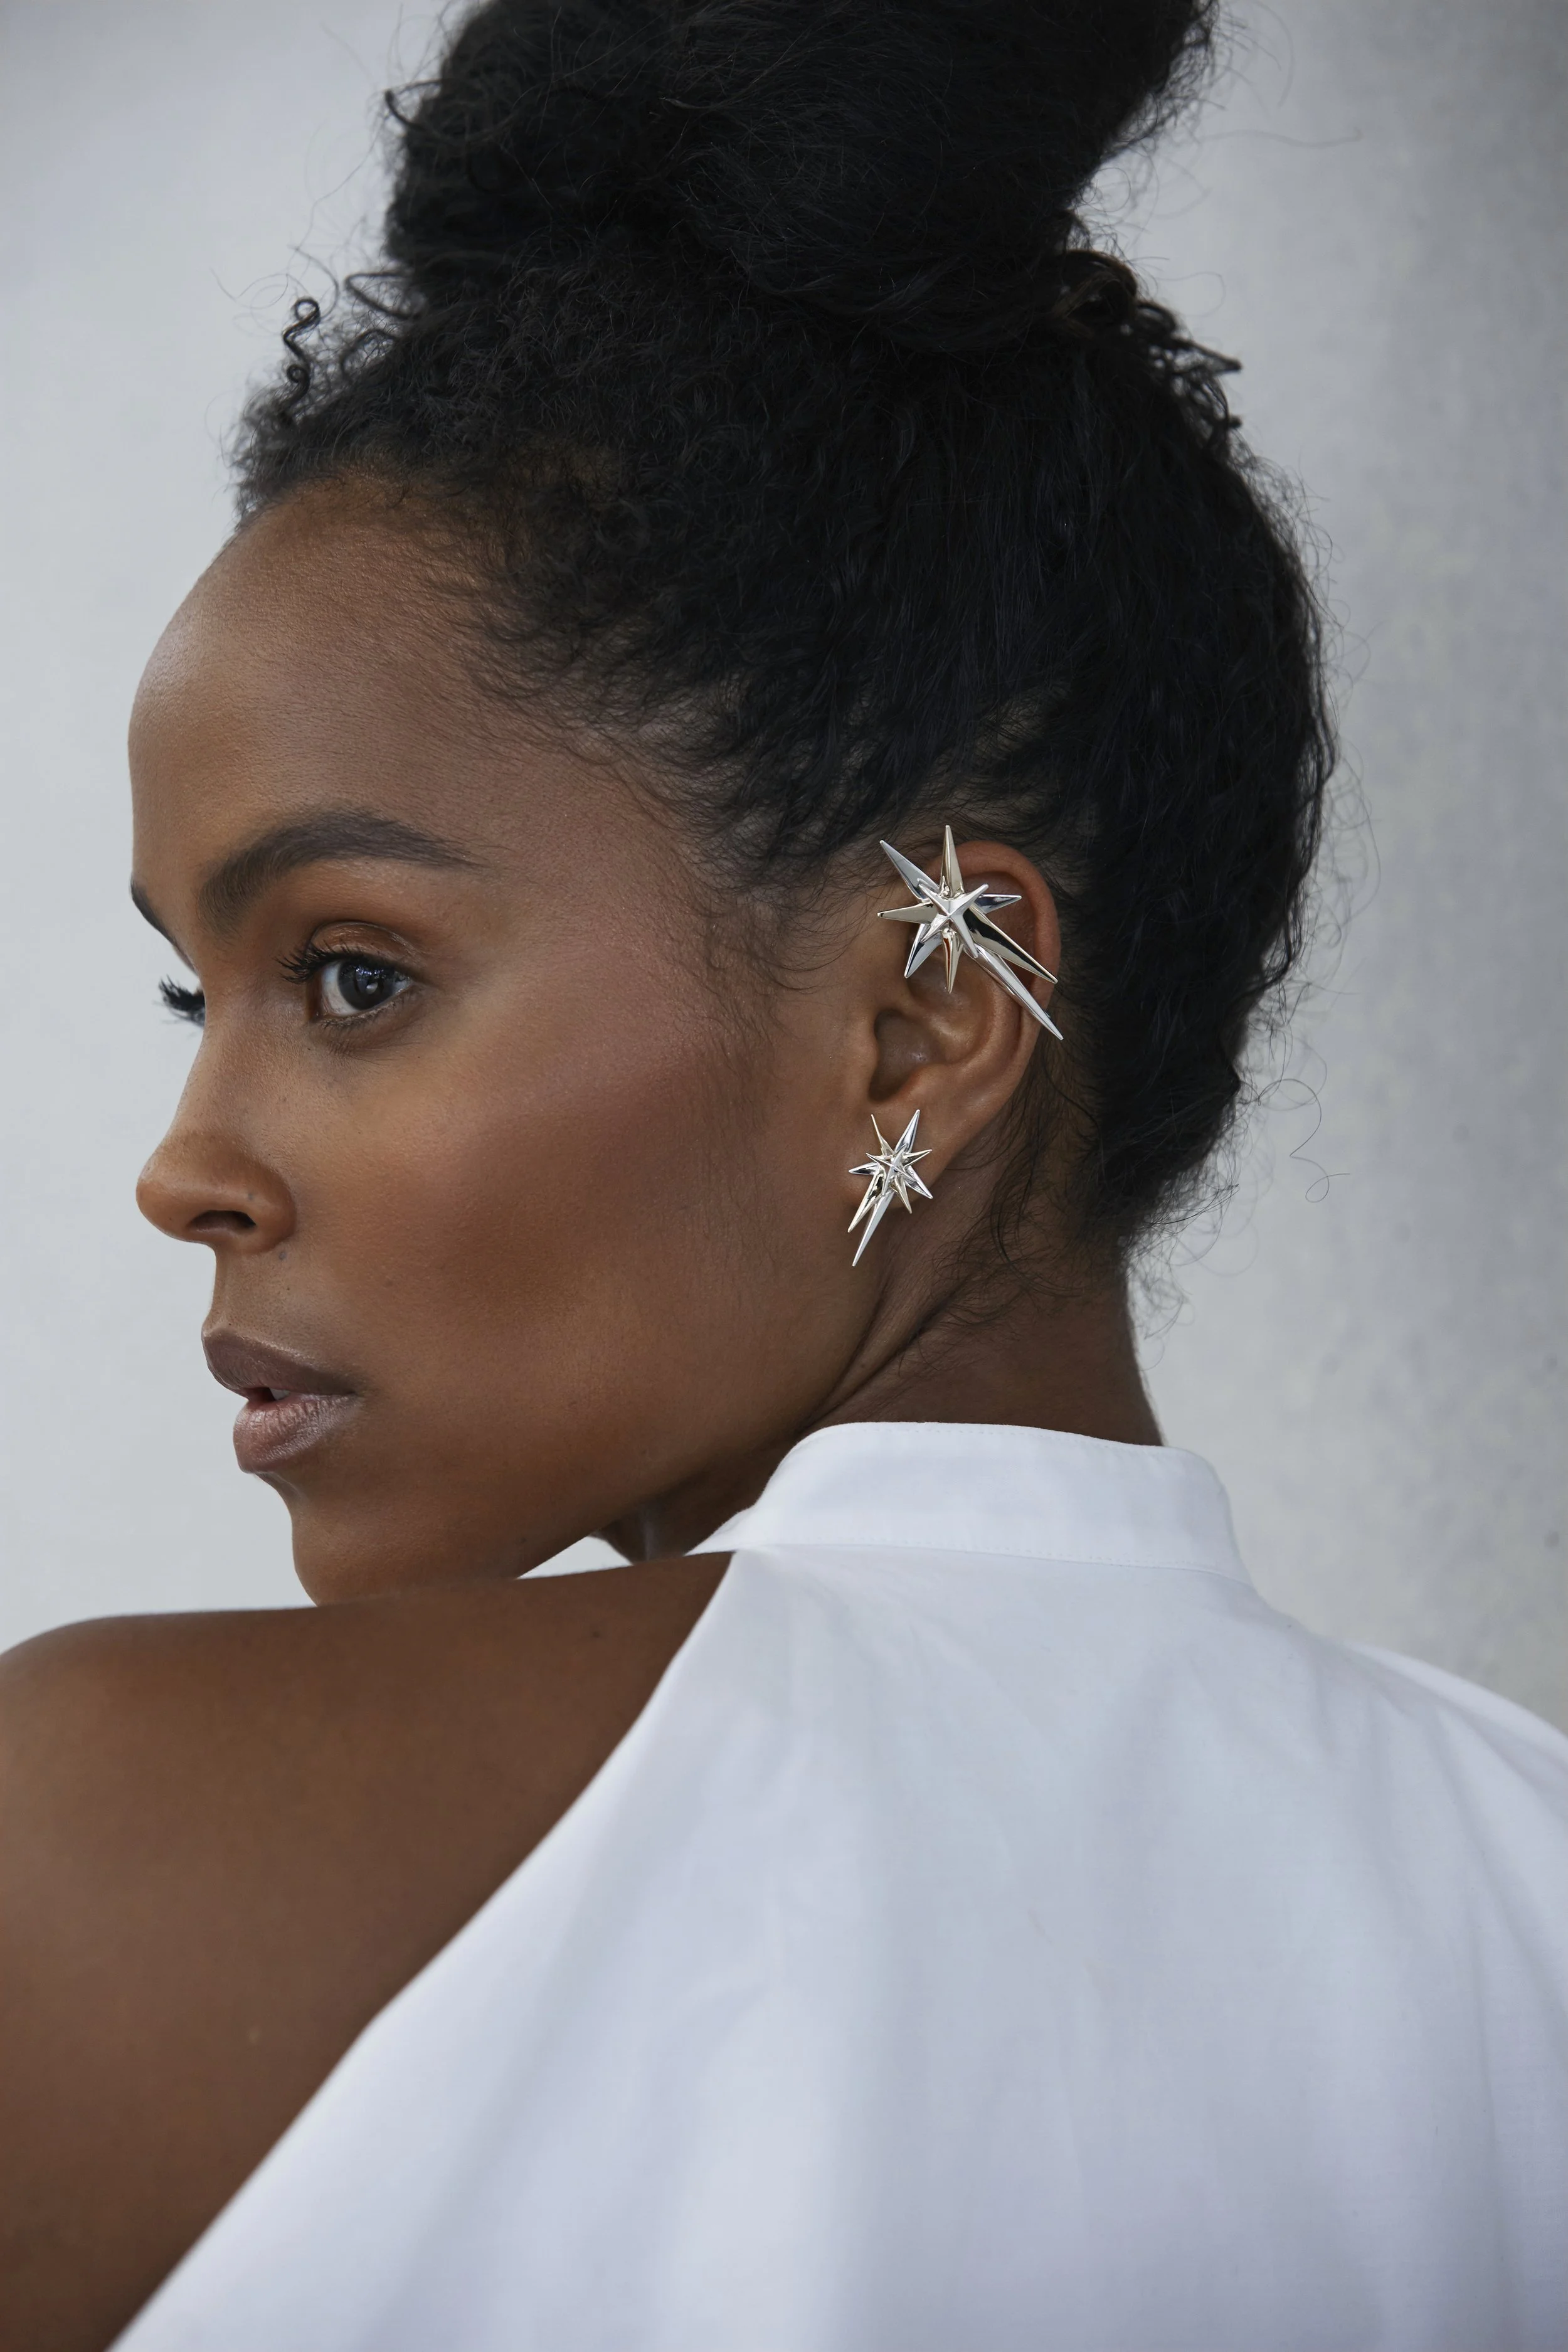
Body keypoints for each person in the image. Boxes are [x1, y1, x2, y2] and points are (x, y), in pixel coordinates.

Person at [3, 1, 1565, 2346]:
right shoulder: (1525, 1904)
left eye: (345, 977)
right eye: (184, 995)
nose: (183, 1171)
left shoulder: (100, 1853)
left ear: (921, 1023)